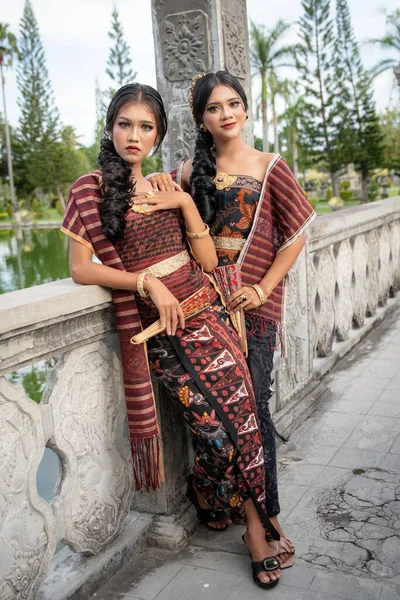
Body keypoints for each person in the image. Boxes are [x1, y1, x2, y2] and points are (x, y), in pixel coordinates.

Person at [61, 83, 285, 589]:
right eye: (125, 124)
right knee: (211, 428)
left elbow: (207, 262)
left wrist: (185, 204)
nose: (134, 135)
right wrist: (146, 282)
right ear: (111, 127)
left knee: (244, 420)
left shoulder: (166, 184)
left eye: (146, 127)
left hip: (210, 314)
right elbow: (81, 270)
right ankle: (207, 493)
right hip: (162, 330)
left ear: (159, 134)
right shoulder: (87, 191)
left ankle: (253, 528)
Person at [148, 71, 316, 568]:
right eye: (215, 107)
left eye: (235, 103)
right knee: (221, 416)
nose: (227, 113)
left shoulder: (269, 166)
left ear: (246, 108)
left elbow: (296, 234)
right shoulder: (185, 173)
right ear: (201, 118)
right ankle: (239, 510)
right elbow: (163, 228)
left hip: (254, 307)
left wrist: (261, 287)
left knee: (254, 408)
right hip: (203, 310)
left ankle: (263, 517)